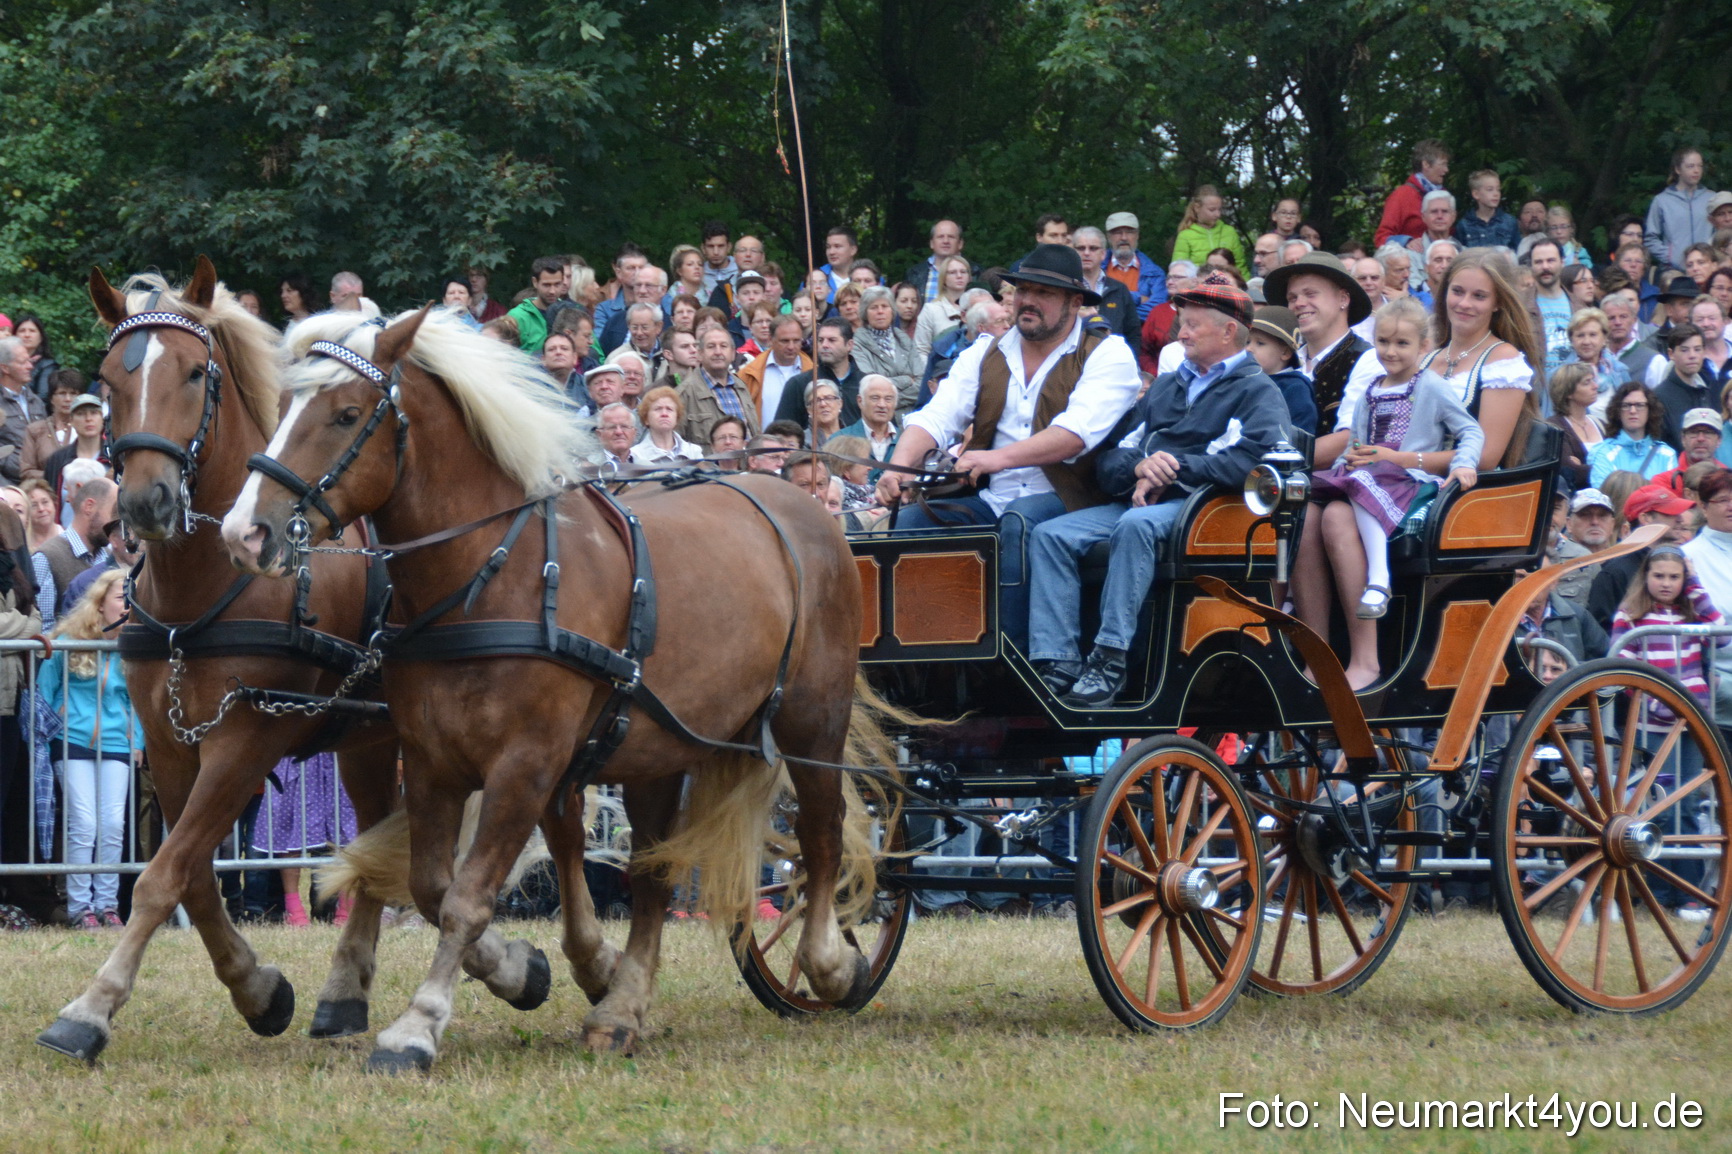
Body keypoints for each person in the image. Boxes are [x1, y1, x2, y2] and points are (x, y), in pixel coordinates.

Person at [1025, 283, 1287, 706]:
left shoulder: (1257, 391)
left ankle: (1109, 658)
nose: (1180, 334)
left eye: (1192, 325)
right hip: (1147, 502)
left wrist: (1175, 468)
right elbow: (1112, 458)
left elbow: (1255, 462)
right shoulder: (1165, 388)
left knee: (1135, 525)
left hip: (1205, 511)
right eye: (1182, 324)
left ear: (1227, 333)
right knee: (1051, 535)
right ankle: (1058, 660)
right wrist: (1141, 467)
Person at [875, 244, 1141, 654]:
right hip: (990, 498)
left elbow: (1074, 434)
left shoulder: (1108, 353)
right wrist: (898, 467)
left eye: (1044, 293)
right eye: (1022, 290)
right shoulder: (985, 350)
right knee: (909, 525)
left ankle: (1014, 664)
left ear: (1074, 302)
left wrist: (994, 459)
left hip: (1074, 500)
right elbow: (937, 416)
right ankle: (919, 666)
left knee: (1020, 522)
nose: (1028, 301)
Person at [1291, 297, 1483, 689]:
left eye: (1401, 344)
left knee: (1350, 498)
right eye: (1383, 342)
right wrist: (1352, 458)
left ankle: (1377, 594)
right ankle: (1315, 648)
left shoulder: (1431, 386)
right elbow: (1356, 441)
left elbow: (1470, 430)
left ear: (1423, 346)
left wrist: (1464, 463)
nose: (1390, 352)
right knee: (1307, 507)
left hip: (1408, 484)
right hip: (1369, 478)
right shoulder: (1371, 389)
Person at [1610, 544, 1724, 917]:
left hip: (1690, 724)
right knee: (1656, 804)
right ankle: (1656, 889)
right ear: (1646, 577)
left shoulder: (1691, 614)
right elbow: (1620, 664)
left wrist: (1695, 586)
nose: (1666, 583)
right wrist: (1655, 701)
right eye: (1659, 575)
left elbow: (1720, 633)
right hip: (1650, 724)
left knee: (1687, 803)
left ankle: (1688, 892)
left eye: (1675, 577)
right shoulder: (1630, 615)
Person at [41, 570, 137, 930]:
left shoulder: (135, 645)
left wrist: (138, 741)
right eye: (120, 598)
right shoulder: (69, 639)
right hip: (72, 742)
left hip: (118, 743)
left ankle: (107, 905)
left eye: (131, 598)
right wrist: (51, 733)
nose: (128, 605)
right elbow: (44, 692)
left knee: (112, 824)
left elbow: (138, 701)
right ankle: (80, 907)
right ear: (100, 604)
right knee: (84, 823)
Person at [1263, 251, 1374, 437]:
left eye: (1310, 294)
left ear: (1343, 299)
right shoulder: (1280, 359)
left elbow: (1348, 439)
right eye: (1292, 298)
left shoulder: (1367, 360)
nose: (1299, 303)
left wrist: (1269, 462)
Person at [32, 475, 114, 631]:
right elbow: (43, 627)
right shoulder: (46, 557)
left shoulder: (110, 556)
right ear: (89, 506)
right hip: (65, 654)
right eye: (113, 512)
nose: (118, 521)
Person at [676, 324, 760, 447]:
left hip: (748, 464)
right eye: (711, 346)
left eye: (723, 346)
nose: (718, 352)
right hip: (709, 466)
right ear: (699, 354)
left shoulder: (741, 387)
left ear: (732, 354)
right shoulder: (684, 394)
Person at [779, 318, 865, 430]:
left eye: (832, 340)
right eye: (820, 340)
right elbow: (782, 433)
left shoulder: (866, 384)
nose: (824, 345)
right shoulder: (798, 384)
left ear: (849, 345)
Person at [1589, 380, 1677, 486]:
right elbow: (1603, 495)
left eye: (1640, 405)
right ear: (1618, 410)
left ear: (1650, 410)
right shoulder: (1603, 453)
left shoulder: (1667, 454)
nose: (1633, 411)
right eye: (1626, 405)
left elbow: (1670, 497)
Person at [1246, 305, 1317, 435]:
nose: (1249, 349)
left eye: (1260, 343)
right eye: (1247, 342)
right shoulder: (1243, 381)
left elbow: (1300, 434)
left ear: (1285, 352)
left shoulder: (1295, 388)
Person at [1646, 148, 1716, 271]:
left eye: (1699, 166)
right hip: (1674, 271)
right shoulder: (1662, 201)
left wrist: (1712, 255)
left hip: (1706, 269)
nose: (1696, 170)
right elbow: (1650, 238)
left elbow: (1721, 233)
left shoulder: (1711, 198)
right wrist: (1670, 257)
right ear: (1678, 169)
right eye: (1690, 166)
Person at [850, 286, 919, 410]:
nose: (880, 311)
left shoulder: (904, 339)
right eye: (874, 307)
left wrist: (888, 401)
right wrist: (906, 380)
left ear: (892, 311)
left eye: (884, 306)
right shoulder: (857, 344)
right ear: (865, 313)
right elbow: (872, 386)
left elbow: (921, 381)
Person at [738, 315, 812, 428]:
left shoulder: (814, 373)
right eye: (785, 341)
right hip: (763, 443)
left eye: (796, 340)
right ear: (771, 340)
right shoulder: (749, 374)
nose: (791, 346)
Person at [1374, 139, 1450, 247]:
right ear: (1426, 165)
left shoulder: (1444, 196)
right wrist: (1406, 242)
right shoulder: (1402, 196)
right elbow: (1381, 238)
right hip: (1412, 261)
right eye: (1443, 164)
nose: (1446, 170)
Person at [1651, 325, 1713, 448]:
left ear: (1704, 352)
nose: (1692, 355)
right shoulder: (1658, 397)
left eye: (1697, 349)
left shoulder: (1708, 391)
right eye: (1684, 350)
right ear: (1671, 354)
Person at [1101, 211, 1170, 317]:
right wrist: (1139, 298)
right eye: (1117, 232)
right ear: (1108, 237)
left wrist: (1113, 307)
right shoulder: (1096, 269)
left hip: (1140, 332)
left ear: (1137, 235)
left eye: (1129, 232)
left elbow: (1157, 310)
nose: (1124, 237)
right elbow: (1090, 304)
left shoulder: (1155, 273)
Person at [41, 393, 105, 504]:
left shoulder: (114, 457)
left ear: (102, 418)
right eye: (81, 414)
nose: (88, 419)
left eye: (94, 413)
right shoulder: (57, 459)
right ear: (71, 420)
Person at [0, 338, 48, 485]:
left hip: (39, 482)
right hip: (6, 485)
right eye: (22, 362)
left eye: (29, 361)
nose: (30, 366)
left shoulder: (36, 401)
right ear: (5, 368)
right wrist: (23, 468)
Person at [20, 372, 82, 482]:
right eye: (62, 393)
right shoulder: (35, 430)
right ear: (52, 398)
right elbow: (26, 471)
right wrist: (57, 476)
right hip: (46, 492)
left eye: (73, 393)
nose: (68, 399)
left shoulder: (89, 428)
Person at [1548, 364, 1602, 489]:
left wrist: (1583, 465)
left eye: (1593, 380)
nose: (1595, 386)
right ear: (1568, 392)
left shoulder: (1600, 423)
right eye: (1587, 382)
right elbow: (1571, 472)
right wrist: (1609, 467)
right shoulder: (1554, 427)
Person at [836, 375, 901, 476]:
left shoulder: (906, 440)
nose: (882, 405)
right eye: (875, 398)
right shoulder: (840, 440)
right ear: (860, 401)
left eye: (888, 399)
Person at [913, 256, 974, 366]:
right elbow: (921, 350)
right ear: (943, 278)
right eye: (952, 272)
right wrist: (932, 374)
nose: (959, 276)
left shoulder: (979, 308)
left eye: (963, 272)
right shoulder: (931, 310)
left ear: (969, 277)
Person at [1137, 261, 1195, 375]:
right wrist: (1155, 374)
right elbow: (1144, 350)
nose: (1170, 282)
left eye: (1177, 277)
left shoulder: (1201, 311)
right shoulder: (1157, 312)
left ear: (1194, 281)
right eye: (1168, 278)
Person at [1171, 187, 1244, 276]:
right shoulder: (1185, 235)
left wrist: (1245, 286)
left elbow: (1240, 266)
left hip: (1228, 287)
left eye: (1219, 209)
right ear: (1197, 208)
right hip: (1198, 286)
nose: (1218, 214)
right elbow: (1179, 271)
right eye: (1212, 210)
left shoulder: (1229, 232)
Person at [1652, 408, 1726, 497]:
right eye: (1694, 432)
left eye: (1708, 432)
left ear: (1719, 440)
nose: (1700, 438)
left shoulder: (1728, 478)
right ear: (1683, 438)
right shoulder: (1663, 482)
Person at [903, 220, 974, 303]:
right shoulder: (914, 273)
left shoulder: (976, 272)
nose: (946, 241)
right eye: (940, 237)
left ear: (960, 243)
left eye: (951, 237)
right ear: (932, 243)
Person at [629, 386, 703, 464]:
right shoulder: (635, 455)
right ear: (646, 418)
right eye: (658, 409)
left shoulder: (694, 452)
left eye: (669, 409)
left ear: (677, 418)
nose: (664, 414)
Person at [1453, 170, 1521, 250]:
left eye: (1498, 189)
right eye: (1490, 189)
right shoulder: (1464, 225)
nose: (1496, 194)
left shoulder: (1509, 222)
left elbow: (1517, 252)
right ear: (1476, 194)